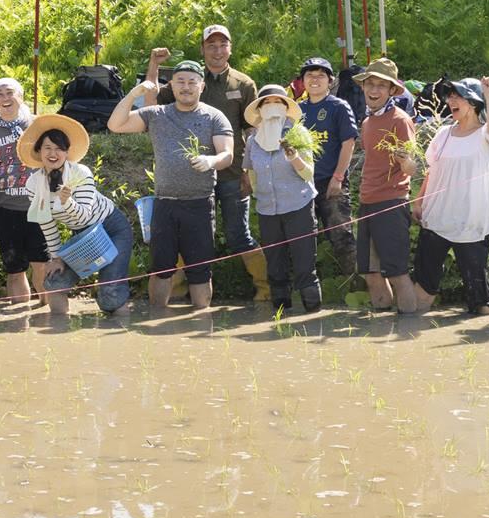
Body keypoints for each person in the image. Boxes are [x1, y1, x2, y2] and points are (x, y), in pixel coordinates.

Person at [148, 26, 269, 301]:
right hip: (191, 178)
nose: (217, 50)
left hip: (231, 172)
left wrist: (250, 171)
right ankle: (177, 293)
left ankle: (266, 288)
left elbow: (252, 132)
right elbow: (152, 102)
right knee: (184, 237)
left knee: (239, 235)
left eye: (222, 44)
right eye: (210, 45)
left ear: (231, 48)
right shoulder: (188, 81)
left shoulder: (244, 84)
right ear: (202, 49)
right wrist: (153, 66)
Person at [110, 60, 234, 311]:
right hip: (165, 204)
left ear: (201, 86)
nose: (186, 87)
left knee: (200, 270)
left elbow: (227, 156)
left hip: (200, 204)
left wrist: (211, 160)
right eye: (180, 81)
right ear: (172, 85)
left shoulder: (214, 116)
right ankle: (156, 322)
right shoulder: (157, 114)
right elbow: (115, 125)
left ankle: (202, 322)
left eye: (191, 82)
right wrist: (134, 94)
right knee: (161, 268)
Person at [22, 114, 133, 317]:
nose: (53, 153)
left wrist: (68, 202)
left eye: (59, 149)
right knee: (54, 282)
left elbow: (84, 217)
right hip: (83, 236)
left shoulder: (80, 173)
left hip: (111, 229)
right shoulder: (33, 184)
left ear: (66, 152)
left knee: (111, 292)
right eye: (47, 147)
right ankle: (59, 331)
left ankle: (119, 337)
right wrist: (56, 259)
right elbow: (47, 225)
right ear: (39, 151)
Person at [410, 77, 489, 314]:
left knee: (480, 301)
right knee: (422, 286)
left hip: (471, 221)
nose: (451, 101)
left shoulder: (485, 134)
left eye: (457, 96)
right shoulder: (443, 134)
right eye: (449, 96)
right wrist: (419, 202)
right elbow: (432, 170)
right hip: (436, 217)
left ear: (473, 103)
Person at [242, 85, 322, 314]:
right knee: (275, 267)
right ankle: (279, 315)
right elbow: (251, 173)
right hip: (268, 210)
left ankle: (313, 317)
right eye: (266, 103)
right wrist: (259, 196)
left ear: (286, 107)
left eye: (277, 102)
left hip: (299, 205)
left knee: (304, 265)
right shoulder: (253, 141)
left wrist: (294, 157)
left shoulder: (298, 134)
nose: (272, 107)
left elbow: (308, 173)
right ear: (260, 108)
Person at [352, 59, 420, 313]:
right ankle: (381, 331)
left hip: (391, 203)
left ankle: (408, 333)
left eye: (382, 85)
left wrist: (405, 161)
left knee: (397, 273)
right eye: (370, 83)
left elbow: (412, 169)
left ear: (392, 90)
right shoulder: (367, 122)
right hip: (367, 201)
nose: (374, 90)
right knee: (370, 273)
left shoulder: (400, 120)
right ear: (363, 87)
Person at [0, 77, 46, 305]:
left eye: (10, 93)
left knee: (42, 265)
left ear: (20, 97)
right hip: (7, 210)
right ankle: (19, 326)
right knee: (14, 270)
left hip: (39, 207)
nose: (5, 98)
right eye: (0, 94)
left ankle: (48, 314)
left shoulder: (38, 126)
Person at [297, 57, 358, 273]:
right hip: (303, 185)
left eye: (321, 75)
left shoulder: (338, 106)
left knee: (342, 237)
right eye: (310, 75)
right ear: (302, 81)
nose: (315, 80)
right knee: (304, 240)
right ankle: (310, 288)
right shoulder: (296, 110)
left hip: (331, 182)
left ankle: (358, 286)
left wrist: (338, 177)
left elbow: (348, 142)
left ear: (330, 81)